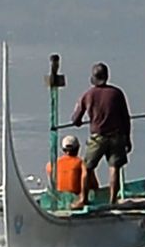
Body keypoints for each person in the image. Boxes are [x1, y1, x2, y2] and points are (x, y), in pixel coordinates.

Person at [68, 62, 131, 205]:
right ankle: (113, 200)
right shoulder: (117, 93)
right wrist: (127, 138)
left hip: (98, 137)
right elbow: (125, 118)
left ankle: (83, 199)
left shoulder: (88, 95)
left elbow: (75, 119)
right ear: (107, 77)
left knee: (87, 168)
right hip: (117, 136)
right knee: (114, 168)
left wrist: (79, 120)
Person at [52, 134, 86, 202]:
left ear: (63, 149)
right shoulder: (81, 163)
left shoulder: (52, 165)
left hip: (59, 199)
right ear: (78, 148)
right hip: (76, 197)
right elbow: (94, 184)